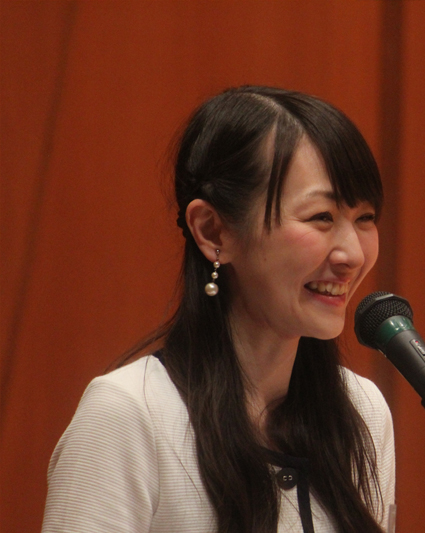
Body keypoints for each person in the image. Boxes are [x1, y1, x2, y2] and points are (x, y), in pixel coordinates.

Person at [42, 86, 395, 533]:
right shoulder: (129, 414)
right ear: (213, 232)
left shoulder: (362, 411)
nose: (353, 255)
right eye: (320, 217)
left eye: (365, 219)